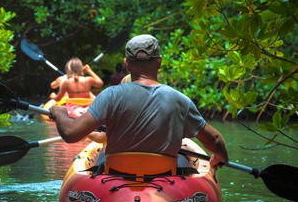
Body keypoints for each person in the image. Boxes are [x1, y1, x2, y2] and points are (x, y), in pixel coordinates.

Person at [49, 34, 228, 168]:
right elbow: (215, 140)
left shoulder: (109, 95)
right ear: (159, 62)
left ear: (127, 64)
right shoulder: (180, 100)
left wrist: (60, 112)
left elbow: (71, 134)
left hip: (117, 175)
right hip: (164, 177)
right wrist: (219, 157)